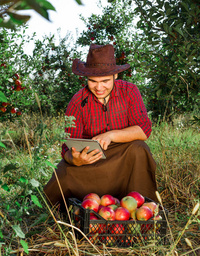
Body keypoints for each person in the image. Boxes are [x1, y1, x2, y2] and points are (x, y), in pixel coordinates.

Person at [44, 44, 157, 209]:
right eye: (93, 81)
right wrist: (75, 160)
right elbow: (66, 148)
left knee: (139, 149)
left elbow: (144, 130)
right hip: (92, 163)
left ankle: (140, 207)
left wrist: (110, 135)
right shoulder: (77, 102)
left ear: (115, 75)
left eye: (105, 81)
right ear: (86, 78)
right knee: (64, 172)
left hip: (123, 159)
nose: (99, 87)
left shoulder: (130, 91)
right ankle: (74, 209)